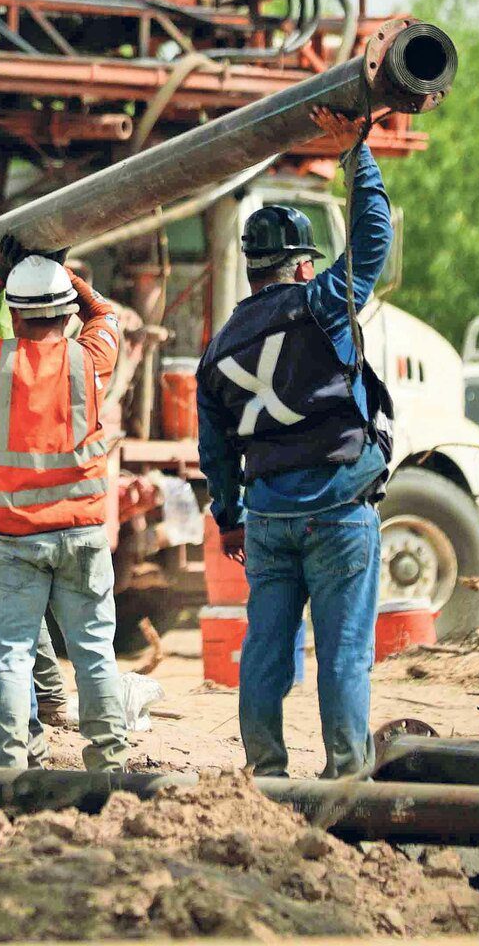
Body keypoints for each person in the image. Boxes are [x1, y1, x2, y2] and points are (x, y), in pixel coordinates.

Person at [197, 107, 395, 779]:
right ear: (303, 266)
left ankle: (267, 775)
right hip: (340, 509)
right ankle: (346, 778)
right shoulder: (322, 306)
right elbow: (372, 240)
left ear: (252, 270)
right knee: (343, 654)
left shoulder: (217, 351)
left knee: (265, 652)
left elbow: (216, 449)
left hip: (270, 519)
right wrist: (355, 154)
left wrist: (228, 518)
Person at [0, 245, 132, 771]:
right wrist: (64, 272)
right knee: (93, 651)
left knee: (10, 658)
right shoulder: (91, 356)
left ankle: (11, 768)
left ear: (15, 313)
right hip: (83, 533)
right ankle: (109, 761)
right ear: (67, 312)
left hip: (12, 538)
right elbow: (106, 315)